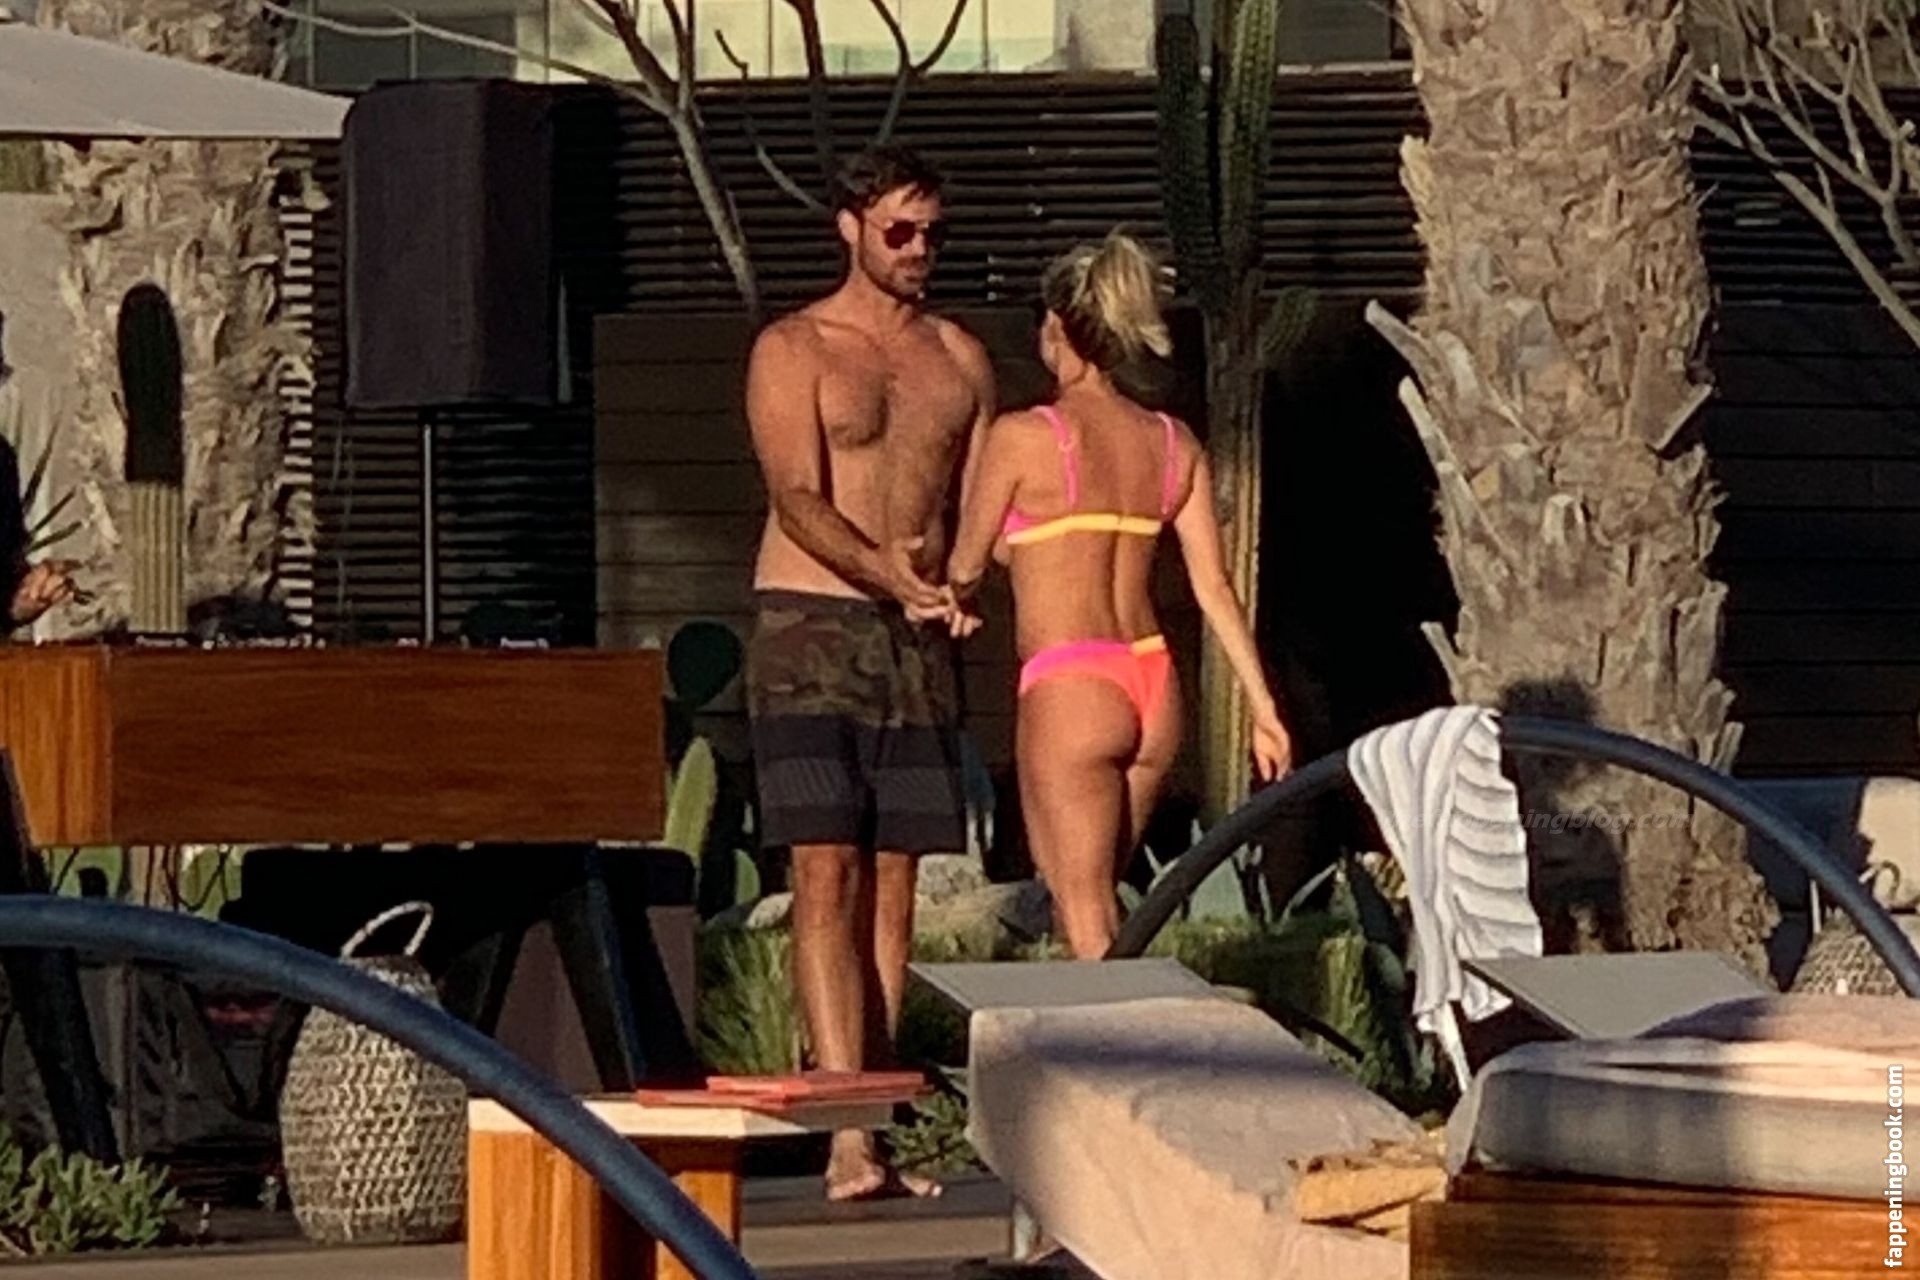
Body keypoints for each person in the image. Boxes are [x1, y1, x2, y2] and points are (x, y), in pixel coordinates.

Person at [741, 143, 994, 1201]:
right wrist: (883, 569)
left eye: (932, 231)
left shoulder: (959, 357)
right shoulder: (795, 347)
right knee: (824, 868)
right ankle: (844, 1133)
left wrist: (963, 581)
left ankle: (874, 1127)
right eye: (899, 229)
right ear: (850, 227)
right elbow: (797, 495)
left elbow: (977, 503)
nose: (918, 248)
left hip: (916, 639)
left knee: (897, 881)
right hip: (811, 625)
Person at [943, 231, 1293, 959]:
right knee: (1102, 902)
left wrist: (957, 592)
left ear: (1058, 329)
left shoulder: (1024, 437)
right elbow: (1214, 588)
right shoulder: (1172, 442)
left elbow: (967, 564)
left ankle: (1123, 1035)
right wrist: (1264, 711)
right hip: (1151, 684)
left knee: (1085, 918)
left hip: (1071, 680)